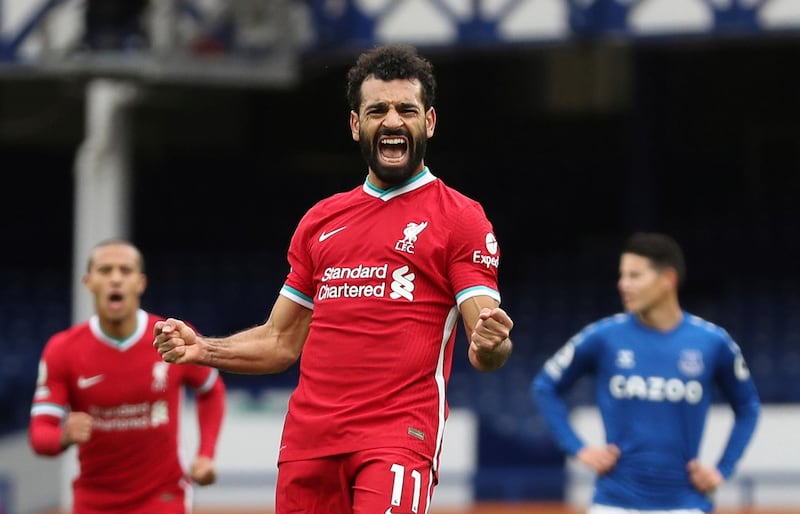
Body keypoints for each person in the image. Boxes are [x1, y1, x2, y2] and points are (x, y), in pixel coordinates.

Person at [153, 44, 514, 514]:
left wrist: (491, 342)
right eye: (376, 110)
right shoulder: (322, 221)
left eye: (406, 109)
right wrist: (203, 348)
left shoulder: (460, 219)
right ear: (354, 125)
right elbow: (280, 342)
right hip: (308, 443)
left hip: (396, 440)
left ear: (428, 122)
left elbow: (485, 340)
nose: (391, 121)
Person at [531, 232, 761, 514]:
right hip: (613, 503)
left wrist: (721, 470)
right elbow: (545, 387)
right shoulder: (603, 337)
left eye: (634, 275)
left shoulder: (713, 342)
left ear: (668, 280)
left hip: (685, 505)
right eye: (622, 275)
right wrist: (579, 449)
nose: (622, 284)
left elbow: (748, 406)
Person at [29, 239, 226, 514]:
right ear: (88, 282)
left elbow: (211, 390)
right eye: (105, 270)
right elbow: (40, 434)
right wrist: (63, 436)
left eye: (125, 270)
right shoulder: (63, 350)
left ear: (141, 282)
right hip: (93, 501)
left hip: (163, 497)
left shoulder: (172, 337)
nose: (116, 279)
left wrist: (206, 455)